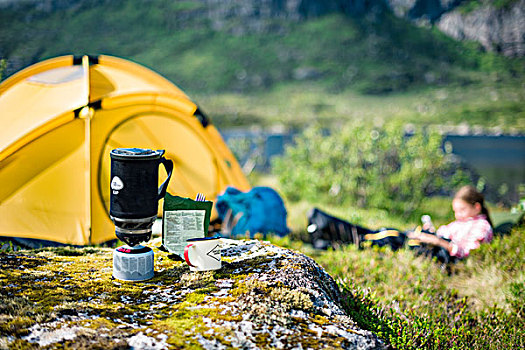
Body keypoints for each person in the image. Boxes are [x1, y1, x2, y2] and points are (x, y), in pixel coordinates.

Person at [307, 185, 493, 262]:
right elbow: (445, 232)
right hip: (425, 242)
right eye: (455, 211)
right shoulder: (463, 222)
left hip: (433, 250)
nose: (457, 215)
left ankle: (324, 229)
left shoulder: (481, 227)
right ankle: (324, 232)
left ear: (476, 207)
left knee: (384, 237)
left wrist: (436, 241)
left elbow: (468, 251)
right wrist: (430, 232)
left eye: (461, 210)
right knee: (385, 234)